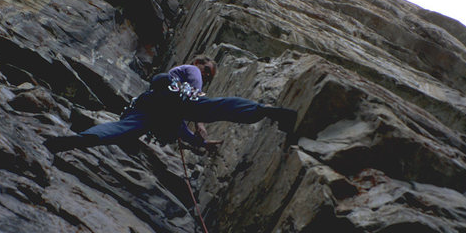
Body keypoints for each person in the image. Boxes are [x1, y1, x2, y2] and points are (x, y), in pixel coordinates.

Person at [44, 55, 297, 153]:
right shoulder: (191, 71)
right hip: (168, 90)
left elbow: (180, 130)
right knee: (214, 108)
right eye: (207, 68)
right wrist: (199, 120)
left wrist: (199, 142)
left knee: (124, 129)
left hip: (152, 107)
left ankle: (78, 140)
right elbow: (196, 103)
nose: (206, 74)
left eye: (210, 74)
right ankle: (265, 111)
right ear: (198, 62)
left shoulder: (186, 89)